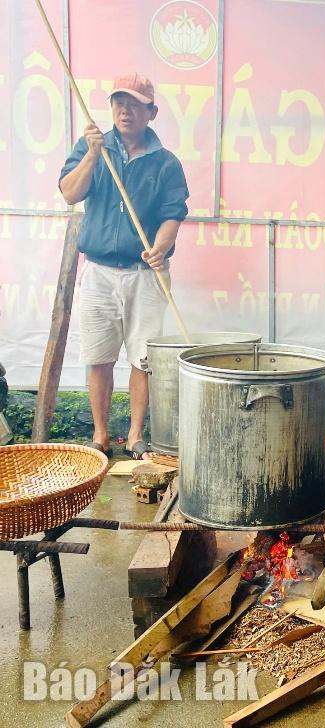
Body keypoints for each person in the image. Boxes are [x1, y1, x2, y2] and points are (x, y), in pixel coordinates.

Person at [58, 72, 189, 460]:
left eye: (134, 104)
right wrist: (92, 155)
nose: (125, 110)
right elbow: (69, 193)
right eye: (119, 102)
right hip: (99, 272)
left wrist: (160, 248)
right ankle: (100, 435)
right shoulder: (92, 146)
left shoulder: (166, 163)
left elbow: (172, 214)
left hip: (144, 274)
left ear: (152, 112)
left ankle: (134, 435)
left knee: (142, 359)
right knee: (98, 356)